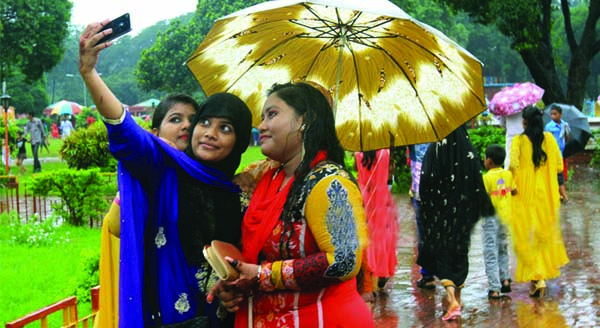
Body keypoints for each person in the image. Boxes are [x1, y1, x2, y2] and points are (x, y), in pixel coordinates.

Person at [80, 20, 252, 328]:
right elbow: (125, 130)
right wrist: (90, 73)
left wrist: (237, 285)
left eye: (225, 128)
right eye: (205, 122)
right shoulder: (165, 169)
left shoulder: (240, 191)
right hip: (171, 317)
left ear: (239, 142)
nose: (209, 133)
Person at [210, 81, 374, 327]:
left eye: (272, 114)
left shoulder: (330, 182)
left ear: (303, 120)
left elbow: (344, 260)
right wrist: (235, 281)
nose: (261, 125)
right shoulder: (268, 179)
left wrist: (261, 276)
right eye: (263, 116)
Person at [94, 93, 199, 328]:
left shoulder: (208, 172)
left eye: (194, 119)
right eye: (175, 119)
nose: (186, 126)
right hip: (162, 301)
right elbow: (115, 225)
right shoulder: (151, 171)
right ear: (154, 133)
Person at [417, 126, 495, 321]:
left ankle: (452, 300)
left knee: (442, 254)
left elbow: (425, 180)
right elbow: (477, 179)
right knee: (460, 253)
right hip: (462, 211)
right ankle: (456, 301)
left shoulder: (435, 148)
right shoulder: (468, 148)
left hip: (440, 212)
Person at [509, 105, 569, 298]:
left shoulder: (518, 141)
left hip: (525, 195)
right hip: (546, 195)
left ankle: (538, 277)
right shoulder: (550, 139)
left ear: (524, 122)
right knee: (543, 235)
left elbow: (513, 166)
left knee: (528, 236)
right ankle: (539, 276)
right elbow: (559, 166)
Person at [355, 149, 399, 295]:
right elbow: (388, 178)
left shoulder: (358, 153)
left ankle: (369, 280)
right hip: (381, 198)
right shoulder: (385, 153)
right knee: (382, 236)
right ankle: (381, 273)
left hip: (363, 197)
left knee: (368, 236)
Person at [481, 144, 517, 299]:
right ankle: (505, 280)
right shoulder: (508, 175)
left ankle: (494, 288)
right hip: (506, 217)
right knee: (502, 249)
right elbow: (514, 191)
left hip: (491, 219)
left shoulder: (486, 178)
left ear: (488, 161)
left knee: (490, 252)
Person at [408, 143, 435, 289]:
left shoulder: (412, 134)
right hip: (439, 189)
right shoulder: (439, 131)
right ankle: (444, 275)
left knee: (423, 234)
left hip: (421, 191)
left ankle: (428, 275)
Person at [544, 105, 570, 202]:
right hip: (552, 154)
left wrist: (566, 132)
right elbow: (546, 140)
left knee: (561, 173)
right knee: (557, 174)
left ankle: (559, 194)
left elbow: (567, 139)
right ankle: (562, 195)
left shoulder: (564, 124)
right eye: (551, 114)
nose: (553, 116)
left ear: (560, 114)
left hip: (561, 153)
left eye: (555, 114)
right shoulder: (549, 126)